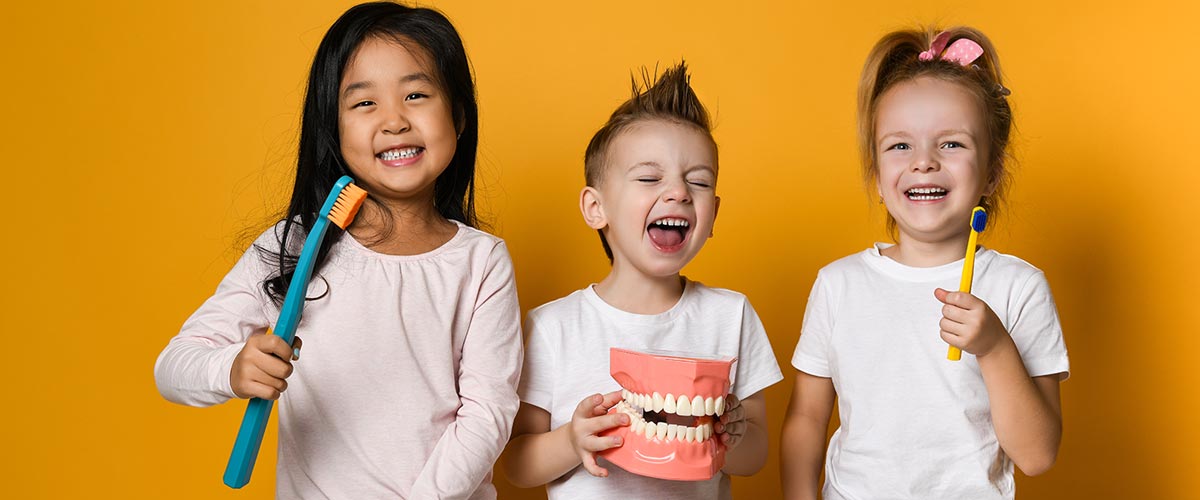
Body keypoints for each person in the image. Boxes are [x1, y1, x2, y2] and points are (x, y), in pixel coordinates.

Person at [154, 3, 522, 497]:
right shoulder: (293, 247)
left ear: (457, 117)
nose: (394, 121)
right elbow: (173, 368)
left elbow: (488, 413)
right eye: (364, 103)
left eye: (416, 94)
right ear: (334, 128)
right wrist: (232, 370)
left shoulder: (481, 262)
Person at [780, 26, 1070, 500]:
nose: (924, 163)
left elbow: (1038, 456)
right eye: (900, 146)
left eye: (951, 144)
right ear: (877, 176)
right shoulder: (838, 285)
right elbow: (807, 419)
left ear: (993, 172)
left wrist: (995, 347)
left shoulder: (1020, 287)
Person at [502, 62, 783, 499]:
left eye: (699, 181)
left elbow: (757, 455)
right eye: (650, 177)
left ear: (713, 217)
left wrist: (737, 436)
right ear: (596, 208)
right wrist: (571, 441)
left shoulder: (731, 315)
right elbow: (517, 464)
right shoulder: (553, 327)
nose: (679, 193)